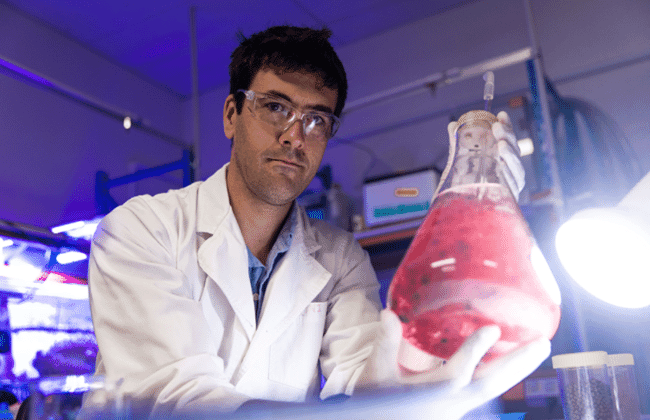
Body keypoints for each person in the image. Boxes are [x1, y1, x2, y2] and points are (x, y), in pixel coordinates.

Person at [83, 25, 550, 419]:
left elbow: (368, 377)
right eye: (275, 107)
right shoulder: (140, 229)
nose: (294, 136)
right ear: (231, 115)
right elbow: (175, 400)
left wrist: (485, 209)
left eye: (317, 119)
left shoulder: (341, 257)